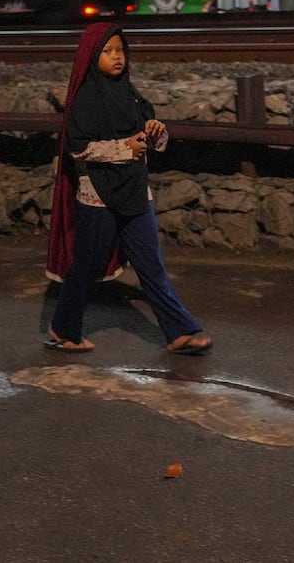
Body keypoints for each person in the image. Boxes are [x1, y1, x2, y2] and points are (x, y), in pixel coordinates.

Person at [44, 23, 213, 356]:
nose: (116, 57)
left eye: (120, 50)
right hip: (98, 196)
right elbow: (78, 148)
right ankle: (63, 328)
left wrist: (154, 132)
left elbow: (149, 140)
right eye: (107, 52)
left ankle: (179, 332)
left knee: (151, 264)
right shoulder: (85, 100)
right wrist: (124, 148)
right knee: (87, 266)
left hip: (135, 188)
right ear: (92, 57)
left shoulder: (131, 94)